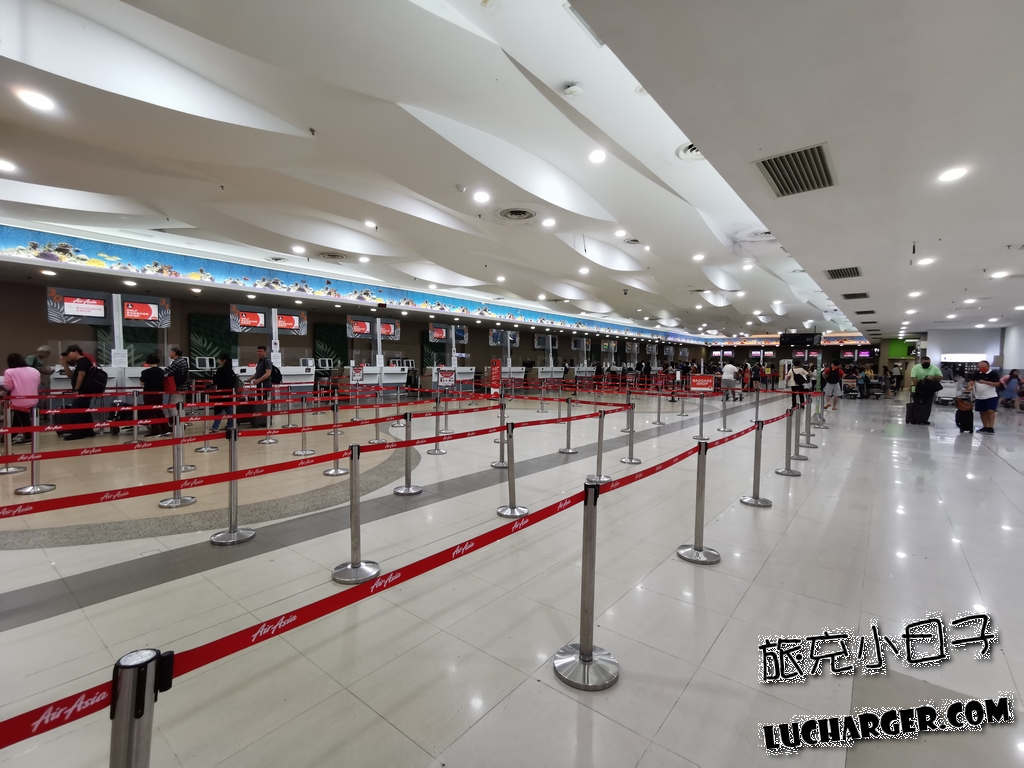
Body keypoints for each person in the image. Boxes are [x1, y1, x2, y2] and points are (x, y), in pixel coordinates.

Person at [58, 344, 96, 439]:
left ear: (76, 352)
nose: (68, 356)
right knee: (84, 411)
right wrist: (65, 365)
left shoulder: (83, 361)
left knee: (77, 411)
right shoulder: (78, 363)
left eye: (69, 353)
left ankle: (78, 432)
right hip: (83, 390)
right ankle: (88, 430)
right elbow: (71, 376)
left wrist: (76, 389)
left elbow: (81, 375)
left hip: (82, 391)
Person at [1, 353, 41, 443]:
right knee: (19, 418)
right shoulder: (34, 370)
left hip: (18, 399)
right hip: (33, 397)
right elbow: (38, 383)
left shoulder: (9, 371)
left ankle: (28, 437)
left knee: (22, 418)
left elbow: (9, 387)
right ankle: (9, 436)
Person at [140, 353, 172, 437]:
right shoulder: (162, 371)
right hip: (159, 393)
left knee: (151, 411)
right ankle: (165, 429)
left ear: (148, 361)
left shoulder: (146, 372)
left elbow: (141, 383)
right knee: (159, 411)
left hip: (149, 393)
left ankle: (156, 431)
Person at [967, 360, 1002, 433]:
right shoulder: (977, 373)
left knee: (990, 410)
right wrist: (970, 386)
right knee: (982, 412)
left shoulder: (993, 374)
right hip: (979, 396)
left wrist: (985, 382)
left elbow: (997, 384)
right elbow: (971, 381)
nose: (981, 369)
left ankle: (991, 427)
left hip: (991, 396)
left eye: (983, 367)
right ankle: (985, 426)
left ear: (988, 366)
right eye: (979, 367)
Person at [210, 352, 238, 431]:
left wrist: (214, 377)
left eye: (220, 359)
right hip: (229, 393)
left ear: (224, 360)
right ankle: (230, 425)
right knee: (229, 410)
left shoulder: (220, 370)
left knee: (218, 409)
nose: (218, 361)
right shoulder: (231, 371)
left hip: (221, 393)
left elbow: (216, 381)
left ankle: (215, 427)